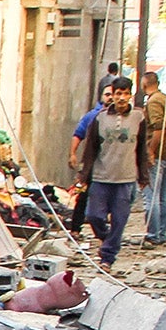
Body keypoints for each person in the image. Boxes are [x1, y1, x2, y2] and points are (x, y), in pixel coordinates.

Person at [76, 77, 151, 269]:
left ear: (131, 95)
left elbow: (141, 148)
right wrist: (84, 176)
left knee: (119, 219)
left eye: (126, 94)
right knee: (94, 216)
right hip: (101, 177)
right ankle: (107, 239)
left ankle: (108, 256)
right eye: (118, 93)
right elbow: (90, 149)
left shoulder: (138, 118)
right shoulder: (99, 118)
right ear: (113, 95)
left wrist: (143, 176)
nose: (122, 98)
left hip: (125, 179)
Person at [140, 71, 166, 244]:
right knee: (163, 195)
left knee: (151, 195)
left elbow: (157, 128)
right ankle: (162, 233)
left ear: (144, 83)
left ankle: (153, 234)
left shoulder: (154, 101)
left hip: (158, 154)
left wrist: (150, 151)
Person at [67, 99, 102, 231]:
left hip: (112, 167)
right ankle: (76, 228)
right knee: (83, 195)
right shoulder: (93, 116)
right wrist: (73, 154)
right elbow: (78, 134)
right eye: (107, 94)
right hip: (92, 163)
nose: (110, 97)